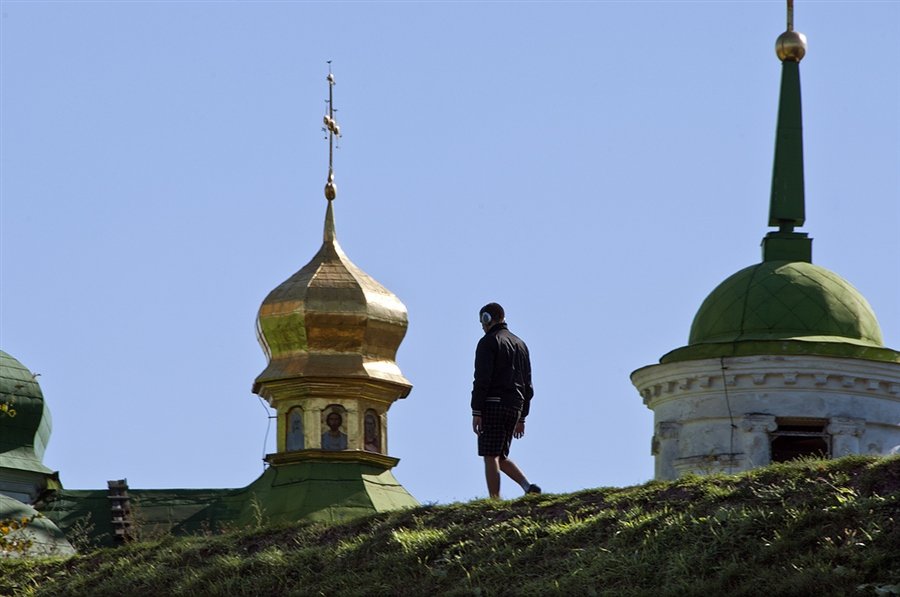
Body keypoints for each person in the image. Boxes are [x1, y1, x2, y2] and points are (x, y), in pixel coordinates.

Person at [471, 302, 540, 499]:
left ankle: (494, 499)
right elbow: (528, 384)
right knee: (500, 455)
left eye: (482, 322)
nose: (482, 326)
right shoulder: (521, 345)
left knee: (490, 454)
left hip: (493, 403)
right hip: (515, 407)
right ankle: (527, 487)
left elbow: (482, 378)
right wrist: (522, 416)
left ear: (487, 319)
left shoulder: (488, 342)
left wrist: (476, 410)